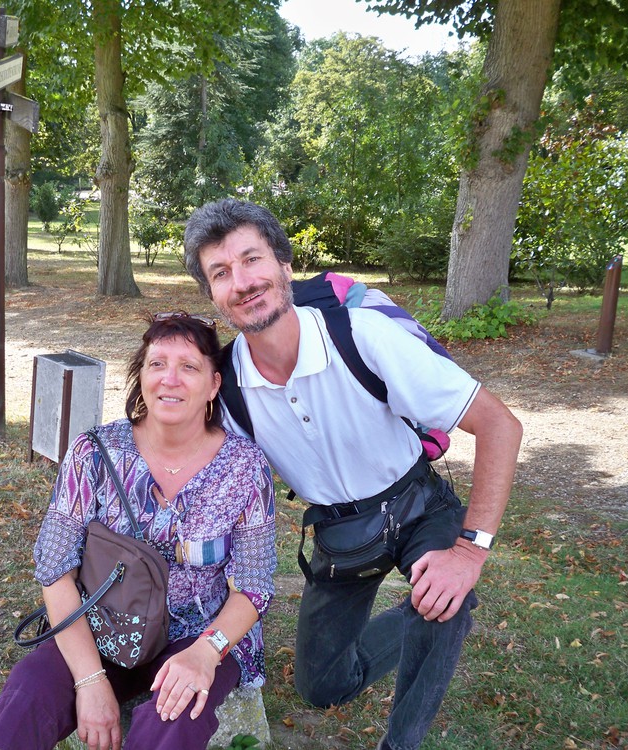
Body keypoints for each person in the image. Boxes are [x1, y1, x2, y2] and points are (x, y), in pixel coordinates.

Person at [183, 199, 523, 750]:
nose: (242, 282)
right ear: (211, 295)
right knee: (323, 688)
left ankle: (403, 736)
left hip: (418, 506)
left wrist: (468, 553)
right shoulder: (229, 390)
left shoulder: (361, 335)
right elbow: (187, 461)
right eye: (221, 273)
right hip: (341, 537)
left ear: (285, 266)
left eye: (252, 260)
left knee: (446, 600)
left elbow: (500, 425)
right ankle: (422, 603)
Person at [0, 312, 276, 750]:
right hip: (108, 624)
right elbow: (55, 570)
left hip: (200, 631)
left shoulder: (246, 469)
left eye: (189, 367)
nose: (170, 380)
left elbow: (254, 586)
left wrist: (206, 652)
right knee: (33, 682)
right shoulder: (94, 453)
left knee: (171, 718)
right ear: (142, 376)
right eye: (157, 364)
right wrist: (90, 680)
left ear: (214, 384)